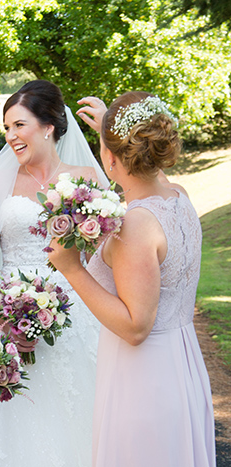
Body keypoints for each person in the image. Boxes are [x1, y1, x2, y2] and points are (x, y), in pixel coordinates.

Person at [49, 92, 216, 466]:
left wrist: (72, 268)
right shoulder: (178, 196)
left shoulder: (136, 224)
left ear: (110, 158)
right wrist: (115, 125)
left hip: (144, 379)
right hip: (180, 362)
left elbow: (136, 326)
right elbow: (148, 171)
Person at [0, 80, 108, 466]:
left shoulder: (86, 177)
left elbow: (105, 258)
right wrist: (7, 320)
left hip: (79, 312)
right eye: (6, 128)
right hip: (7, 314)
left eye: (18, 125)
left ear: (48, 126)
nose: (10, 137)